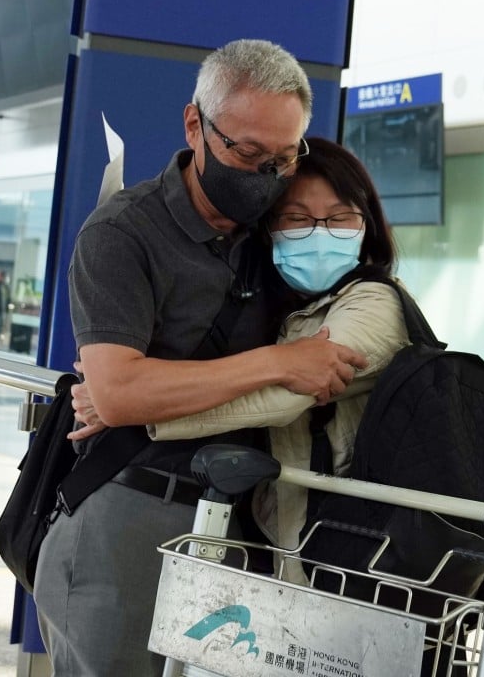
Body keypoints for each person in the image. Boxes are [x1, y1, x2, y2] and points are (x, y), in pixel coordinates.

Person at [33, 40, 367, 677]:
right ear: (196, 124)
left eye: (284, 157)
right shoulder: (123, 234)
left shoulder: (278, 231)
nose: (266, 176)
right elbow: (121, 394)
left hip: (242, 522)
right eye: (247, 153)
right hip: (129, 512)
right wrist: (276, 362)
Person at [143, 137, 410, 583]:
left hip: (349, 555)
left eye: (340, 217)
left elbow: (282, 397)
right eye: (297, 218)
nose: (320, 233)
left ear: (367, 226)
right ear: (269, 229)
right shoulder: (285, 306)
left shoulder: (375, 305)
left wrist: (138, 405)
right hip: (285, 541)